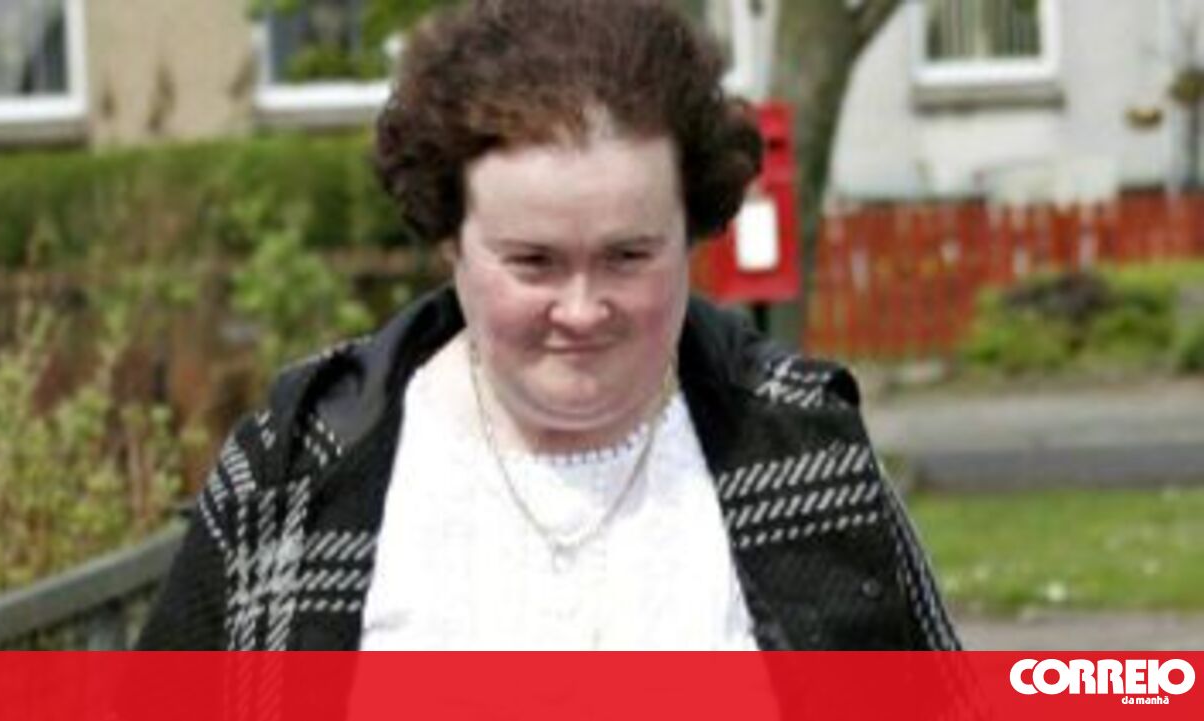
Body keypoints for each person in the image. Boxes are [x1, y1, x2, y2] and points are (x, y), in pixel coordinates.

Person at [137, 0, 958, 651]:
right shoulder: (297, 466)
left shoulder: (803, 445)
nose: (582, 308)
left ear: (690, 230)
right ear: (451, 239)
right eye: (533, 262)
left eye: (628, 255)